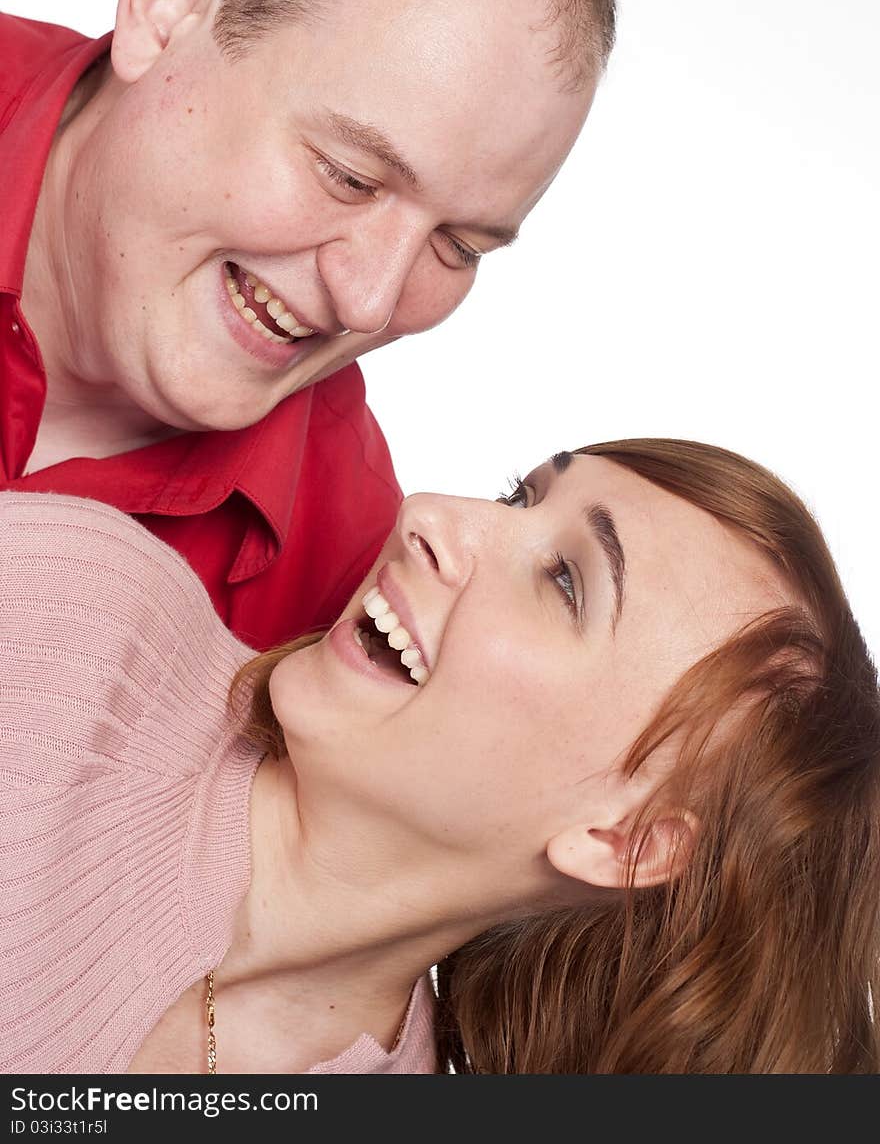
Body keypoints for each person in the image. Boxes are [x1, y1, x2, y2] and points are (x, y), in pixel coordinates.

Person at [2, 438, 877, 1074]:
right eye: (516, 497)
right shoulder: (68, 628)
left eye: (565, 579)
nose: (426, 515)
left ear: (630, 839)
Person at [0, 0, 614, 650]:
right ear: (174, 7)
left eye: (457, 245)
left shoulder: (356, 593)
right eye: (350, 174)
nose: (367, 302)